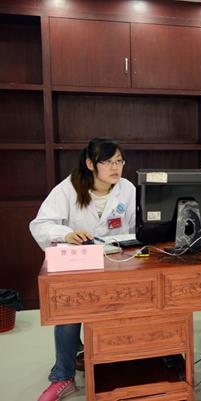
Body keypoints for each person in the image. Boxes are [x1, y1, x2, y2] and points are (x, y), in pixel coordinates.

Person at [30, 138, 136, 401]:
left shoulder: (127, 189)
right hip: (79, 267)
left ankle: (127, 365)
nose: (115, 167)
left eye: (119, 161)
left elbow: (138, 228)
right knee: (68, 313)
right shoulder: (68, 188)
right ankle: (62, 377)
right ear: (90, 164)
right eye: (108, 162)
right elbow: (40, 225)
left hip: (117, 265)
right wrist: (66, 234)